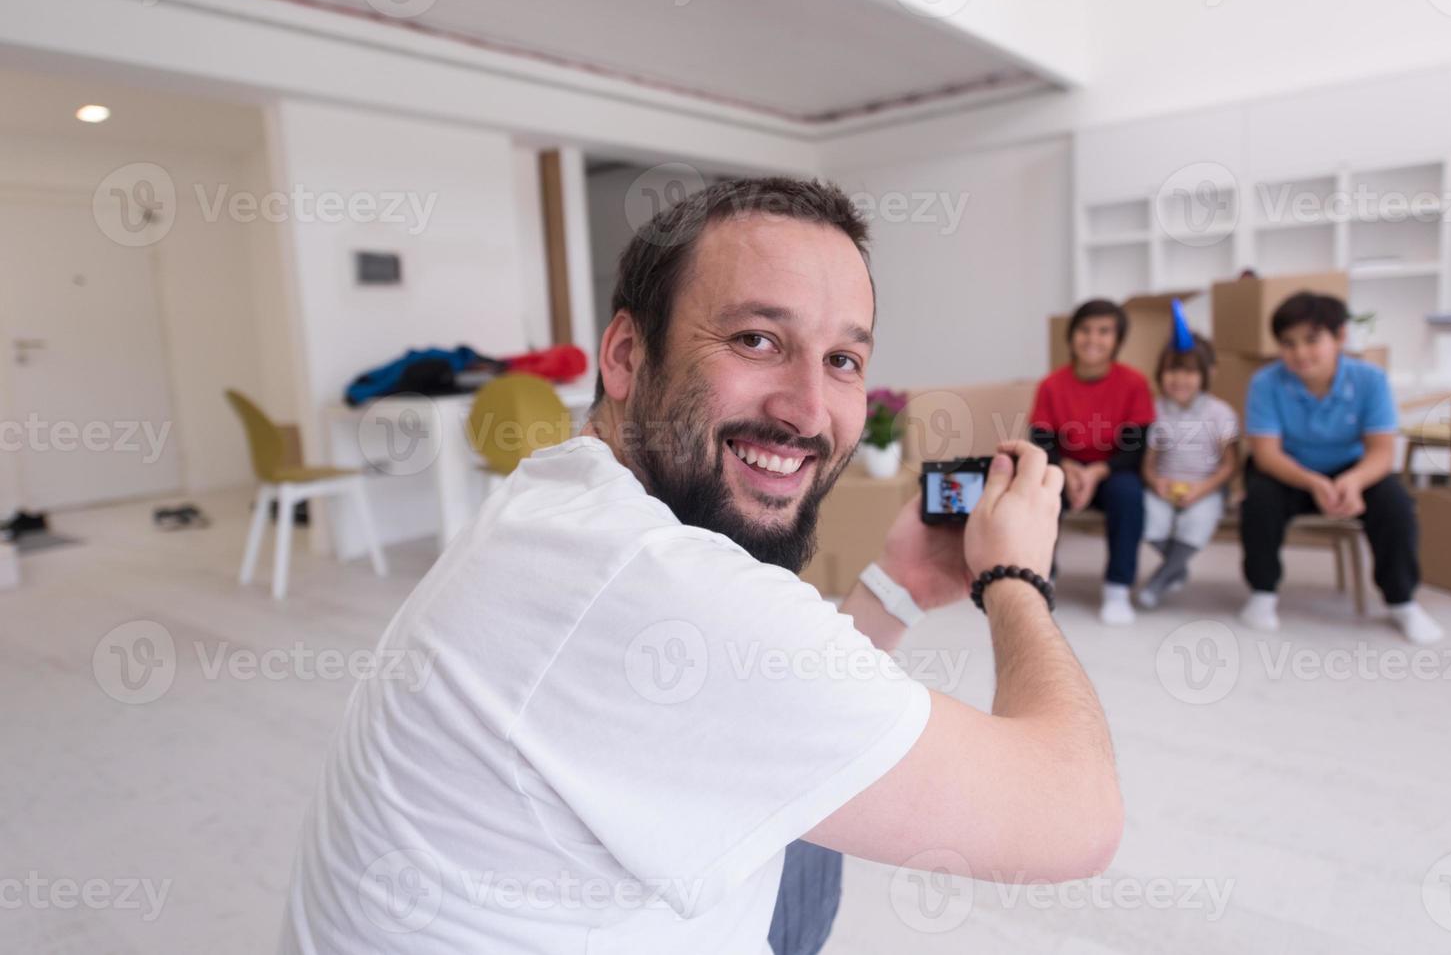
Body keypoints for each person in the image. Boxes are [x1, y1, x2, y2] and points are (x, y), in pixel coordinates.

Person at [278, 178, 1122, 955]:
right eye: (756, 339)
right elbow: (1075, 816)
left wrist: (894, 584)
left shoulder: (560, 493)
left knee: (816, 808)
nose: (806, 410)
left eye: (842, 361)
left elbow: (775, 702)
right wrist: (1015, 579)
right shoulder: (653, 580)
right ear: (623, 355)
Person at [1239, 291, 1443, 642]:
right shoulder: (1266, 382)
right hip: (1287, 469)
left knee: (1395, 505)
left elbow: (1381, 450)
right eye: (1288, 343)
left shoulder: (1370, 380)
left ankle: (1402, 601)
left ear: (1340, 337)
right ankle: (1263, 592)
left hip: (1351, 468)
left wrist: (1354, 480)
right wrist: (1312, 481)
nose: (1300, 353)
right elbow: (1266, 454)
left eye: (1312, 340)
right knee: (1259, 500)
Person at [1030, 299, 1155, 625]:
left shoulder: (1134, 383)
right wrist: (1069, 469)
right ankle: (1043, 579)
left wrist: (1098, 472)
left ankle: (1118, 588)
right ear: (1071, 336)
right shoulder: (1051, 384)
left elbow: (1135, 446)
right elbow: (1042, 442)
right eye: (1085, 330)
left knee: (1128, 496)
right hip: (1065, 467)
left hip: (1113, 470)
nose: (1093, 339)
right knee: (1043, 491)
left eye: (1104, 331)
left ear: (1117, 340)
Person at [1137, 333, 1238, 609]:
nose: (1179, 379)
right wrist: (1155, 481)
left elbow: (1230, 463)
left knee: (1196, 523)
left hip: (1206, 487)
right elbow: (1149, 460)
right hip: (1165, 485)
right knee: (1148, 519)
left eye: (1190, 371)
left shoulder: (1221, 413)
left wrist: (1204, 488)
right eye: (1172, 370)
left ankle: (1161, 577)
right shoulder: (1155, 410)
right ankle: (1176, 568)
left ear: (1208, 373)